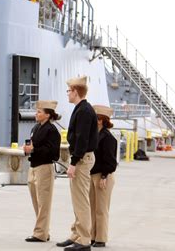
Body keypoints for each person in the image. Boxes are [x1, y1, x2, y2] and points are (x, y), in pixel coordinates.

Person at [57, 76, 98, 251]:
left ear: (75, 91)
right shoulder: (81, 108)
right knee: (77, 199)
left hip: (82, 158)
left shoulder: (83, 111)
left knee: (81, 200)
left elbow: (82, 139)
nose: (67, 94)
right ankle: (76, 234)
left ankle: (84, 240)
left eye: (68, 91)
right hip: (82, 157)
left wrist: (73, 162)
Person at [23, 100, 61, 243]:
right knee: (36, 201)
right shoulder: (36, 127)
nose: (36, 114)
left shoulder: (52, 131)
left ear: (47, 115)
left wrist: (34, 150)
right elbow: (34, 146)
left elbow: (53, 153)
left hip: (44, 168)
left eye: (39, 112)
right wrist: (28, 149)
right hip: (33, 166)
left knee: (43, 202)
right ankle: (43, 231)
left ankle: (40, 233)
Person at [90, 105, 117, 248]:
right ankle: (93, 236)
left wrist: (104, 176)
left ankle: (101, 238)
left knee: (101, 208)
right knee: (92, 208)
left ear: (100, 120)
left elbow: (111, 161)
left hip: (103, 176)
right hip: (93, 174)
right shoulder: (95, 135)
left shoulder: (108, 137)